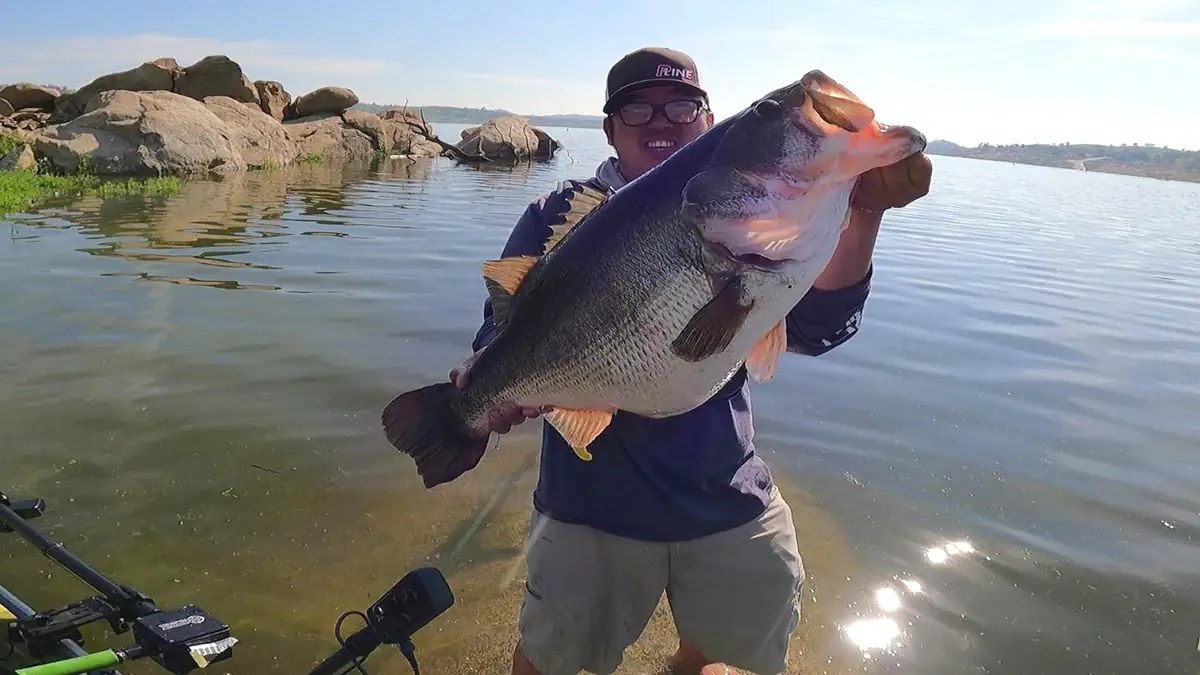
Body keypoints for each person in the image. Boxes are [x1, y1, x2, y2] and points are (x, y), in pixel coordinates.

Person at [450, 47, 932, 675]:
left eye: (681, 106)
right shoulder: (552, 216)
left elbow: (818, 331)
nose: (661, 121)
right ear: (609, 129)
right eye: (637, 108)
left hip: (726, 494)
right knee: (549, 663)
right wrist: (485, 380)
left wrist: (864, 213)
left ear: (707, 122)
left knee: (728, 662)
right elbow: (502, 330)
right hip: (589, 503)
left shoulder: (787, 220)